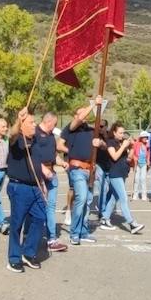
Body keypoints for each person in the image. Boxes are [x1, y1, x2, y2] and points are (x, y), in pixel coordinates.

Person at [4, 109, 49, 272]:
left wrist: (42, 183)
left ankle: (28, 252)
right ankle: (14, 258)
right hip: (19, 187)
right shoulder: (17, 140)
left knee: (40, 217)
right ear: (22, 126)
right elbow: (13, 134)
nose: (34, 124)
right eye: (31, 122)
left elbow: (37, 163)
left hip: (35, 187)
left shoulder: (35, 140)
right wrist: (18, 120)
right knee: (17, 224)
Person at [96, 122, 144, 234]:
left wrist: (132, 147)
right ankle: (131, 223)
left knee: (114, 198)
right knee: (123, 198)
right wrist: (123, 146)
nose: (122, 135)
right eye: (120, 133)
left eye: (123, 133)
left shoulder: (120, 142)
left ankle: (105, 219)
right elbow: (114, 156)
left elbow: (128, 158)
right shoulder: (110, 142)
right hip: (115, 174)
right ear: (114, 132)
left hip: (122, 173)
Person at [64, 101, 100, 246]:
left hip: (90, 169)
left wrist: (100, 143)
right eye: (82, 113)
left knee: (88, 202)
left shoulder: (92, 131)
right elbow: (78, 120)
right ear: (75, 116)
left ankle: (83, 232)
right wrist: (92, 106)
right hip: (77, 170)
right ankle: (74, 233)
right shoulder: (71, 129)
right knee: (81, 199)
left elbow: (102, 144)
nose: (85, 116)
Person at [33, 112, 69, 252]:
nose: (54, 127)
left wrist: (62, 163)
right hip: (39, 175)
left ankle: (52, 238)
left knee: (51, 206)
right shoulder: (35, 133)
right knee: (37, 206)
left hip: (52, 173)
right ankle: (30, 235)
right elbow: (32, 156)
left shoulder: (51, 136)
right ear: (48, 121)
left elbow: (53, 155)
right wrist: (42, 171)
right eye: (54, 124)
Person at [131, 132, 149, 201]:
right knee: (136, 179)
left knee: (143, 179)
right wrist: (134, 157)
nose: (145, 138)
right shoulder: (136, 144)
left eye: (146, 137)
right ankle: (135, 194)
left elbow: (148, 154)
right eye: (144, 137)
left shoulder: (147, 145)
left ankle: (144, 195)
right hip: (137, 164)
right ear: (141, 138)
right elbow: (132, 153)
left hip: (144, 164)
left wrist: (148, 161)